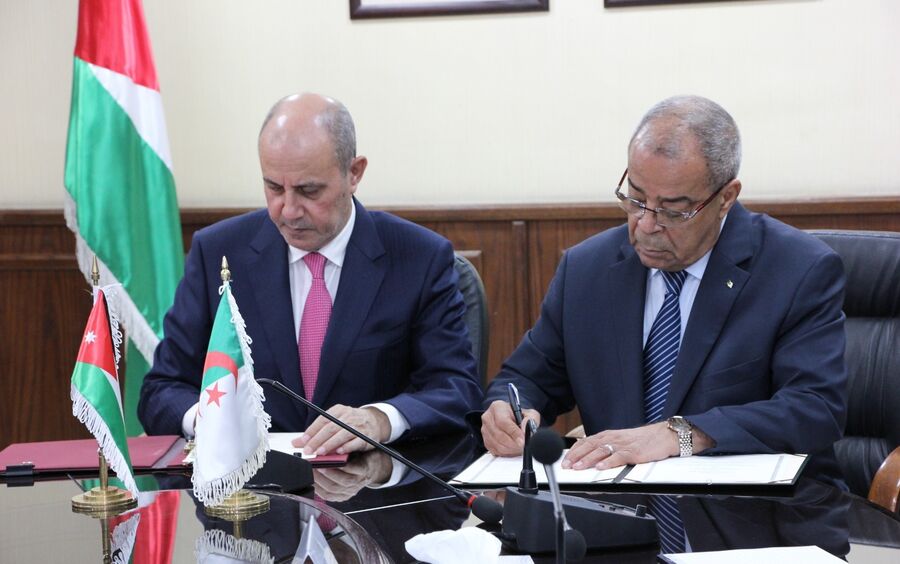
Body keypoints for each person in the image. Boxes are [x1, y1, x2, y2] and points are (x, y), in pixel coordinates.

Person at [481, 95, 847, 485]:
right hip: (618, 506)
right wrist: (509, 410)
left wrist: (681, 434)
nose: (646, 225)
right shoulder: (587, 269)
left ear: (726, 198)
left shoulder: (797, 270)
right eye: (636, 199)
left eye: (672, 210)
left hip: (755, 508)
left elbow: (814, 408)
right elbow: (528, 378)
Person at [139, 93, 483, 456]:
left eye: (308, 190)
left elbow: (456, 389)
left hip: (377, 483)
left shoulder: (418, 258)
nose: (288, 210)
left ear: (354, 173)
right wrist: (209, 418)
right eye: (274, 188)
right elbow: (161, 390)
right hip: (252, 484)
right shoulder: (218, 253)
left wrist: (380, 419)